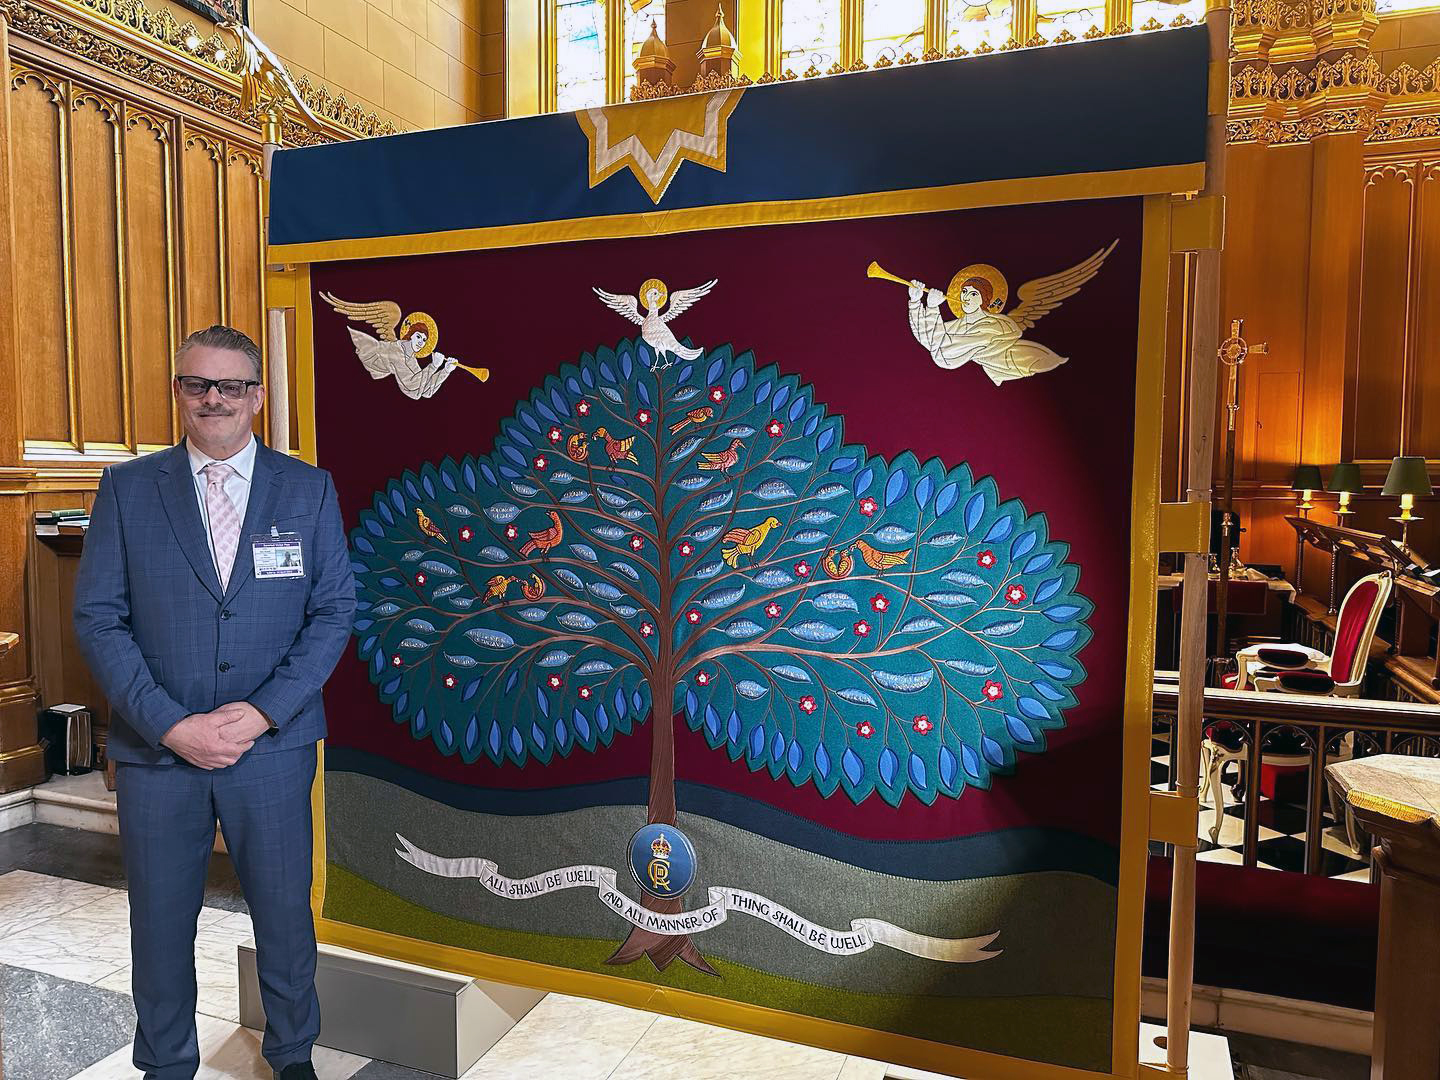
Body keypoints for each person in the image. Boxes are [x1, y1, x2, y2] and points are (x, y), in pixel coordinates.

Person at [74, 325, 356, 1080]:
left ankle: (292, 1054)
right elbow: (99, 617)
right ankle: (167, 1064)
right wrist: (169, 723)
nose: (215, 400)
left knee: (285, 916)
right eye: (199, 384)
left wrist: (263, 712)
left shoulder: (308, 488)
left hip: (271, 747)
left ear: (258, 396)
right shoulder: (128, 489)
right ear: (178, 393)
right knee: (160, 922)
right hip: (156, 753)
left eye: (232, 386)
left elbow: (334, 612)